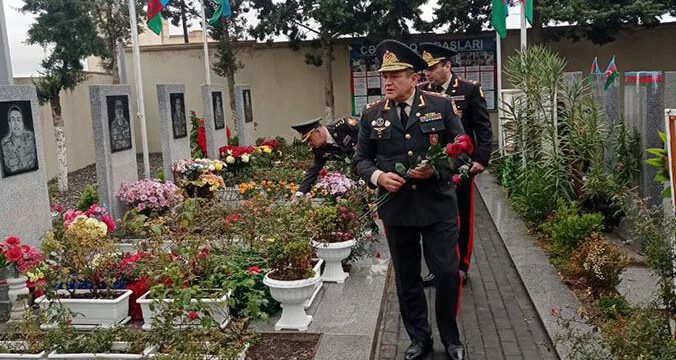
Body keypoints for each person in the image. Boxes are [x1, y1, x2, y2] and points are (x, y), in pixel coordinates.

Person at [353, 39, 467, 360]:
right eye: (384, 76)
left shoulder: (440, 105)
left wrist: (436, 169)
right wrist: (378, 177)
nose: (387, 82)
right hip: (398, 211)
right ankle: (420, 338)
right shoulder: (372, 114)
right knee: (407, 279)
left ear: (414, 78)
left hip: (437, 207)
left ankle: (451, 337)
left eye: (395, 75)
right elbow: (361, 160)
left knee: (446, 273)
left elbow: (461, 150)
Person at [418, 43, 493, 287]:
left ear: (447, 66)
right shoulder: (421, 92)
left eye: (432, 68)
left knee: (461, 215)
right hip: (432, 167)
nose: (428, 74)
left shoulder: (469, 90)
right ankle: (436, 268)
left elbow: (482, 127)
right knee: (432, 218)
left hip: (461, 165)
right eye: (425, 69)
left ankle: (461, 266)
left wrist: (480, 159)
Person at [291, 116, 359, 195]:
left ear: (318, 132)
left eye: (309, 139)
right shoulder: (319, 148)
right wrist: (300, 192)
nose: (309, 144)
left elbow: (369, 132)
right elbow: (314, 170)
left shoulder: (344, 124)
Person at [1, 105, 36, 174]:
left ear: (22, 123)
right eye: (13, 120)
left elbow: (32, 163)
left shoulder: (30, 138)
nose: (16, 124)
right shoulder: (4, 146)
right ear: (10, 123)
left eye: (18, 119)